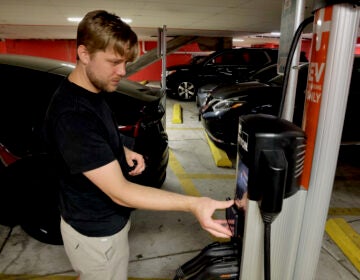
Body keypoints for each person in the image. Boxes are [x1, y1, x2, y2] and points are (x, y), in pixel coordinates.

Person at [44, 9, 233, 280]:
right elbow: (120, 192)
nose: (123, 71)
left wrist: (122, 149)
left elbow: (98, 136)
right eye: (114, 62)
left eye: (125, 62)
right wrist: (194, 204)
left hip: (106, 224)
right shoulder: (71, 115)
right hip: (96, 235)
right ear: (84, 54)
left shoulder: (90, 91)